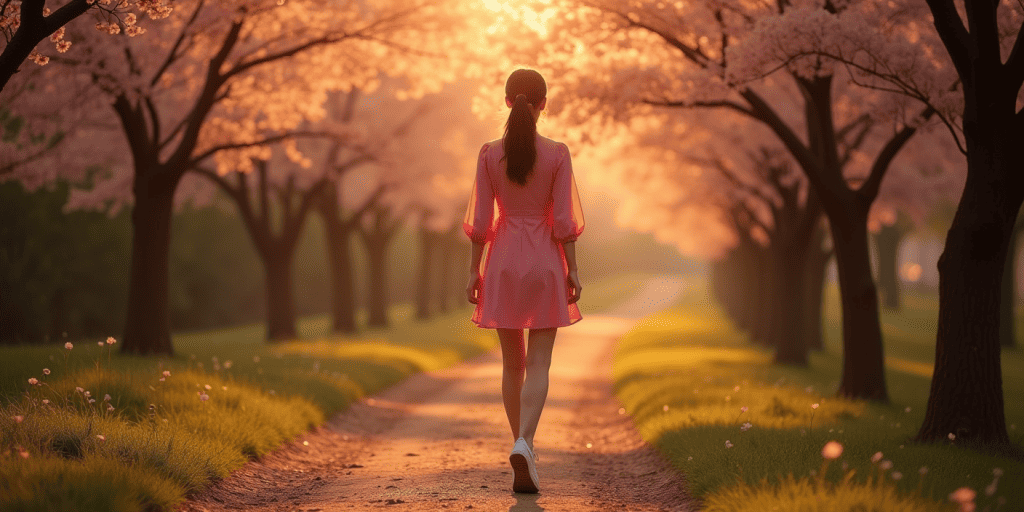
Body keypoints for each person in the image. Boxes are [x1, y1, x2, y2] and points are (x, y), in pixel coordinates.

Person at [463, 68, 585, 494]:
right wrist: (572, 269)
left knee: (511, 365)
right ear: (543, 104)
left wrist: (474, 270)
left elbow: (481, 221)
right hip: (544, 262)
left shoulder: (488, 154)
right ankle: (525, 443)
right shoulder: (557, 153)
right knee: (539, 364)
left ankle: (522, 445)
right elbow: (566, 220)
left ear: (507, 101)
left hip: (502, 263)